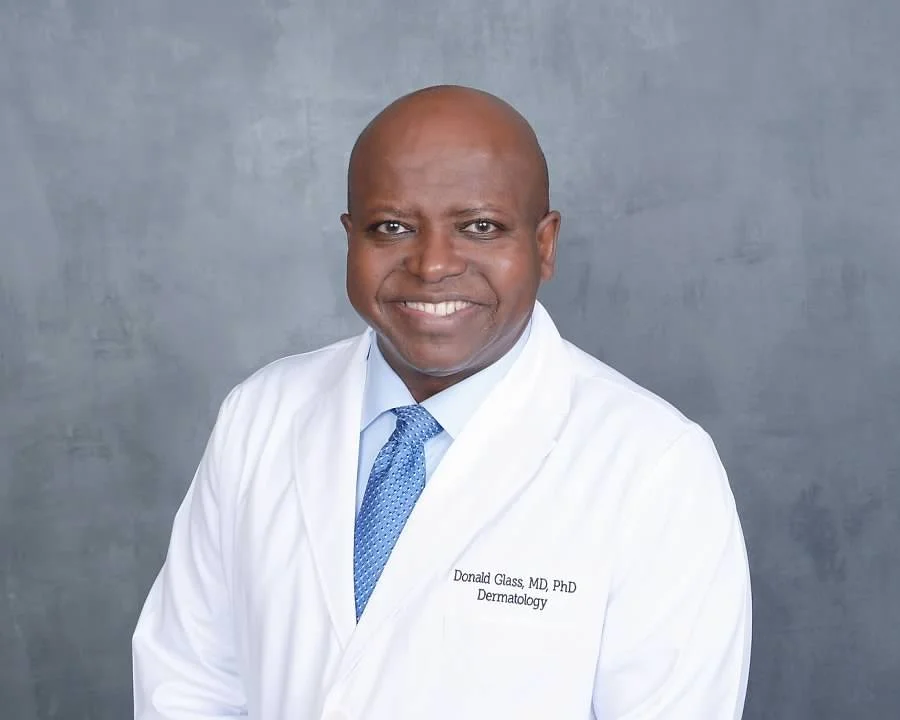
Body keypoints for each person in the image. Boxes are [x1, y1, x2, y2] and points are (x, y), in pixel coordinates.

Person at [132, 85, 752, 719]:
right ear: (350, 238)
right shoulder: (260, 416)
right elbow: (188, 682)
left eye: (479, 227)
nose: (431, 266)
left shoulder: (655, 466)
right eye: (392, 227)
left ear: (544, 244)